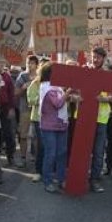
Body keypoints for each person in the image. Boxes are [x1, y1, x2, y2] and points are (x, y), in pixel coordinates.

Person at [39, 63, 71, 193]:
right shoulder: (46, 87)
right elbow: (58, 103)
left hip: (61, 125)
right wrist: (68, 92)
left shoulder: (57, 86)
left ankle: (61, 179)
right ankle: (47, 181)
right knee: (50, 154)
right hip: (49, 126)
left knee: (61, 153)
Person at [89, 47, 112, 193]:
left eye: (97, 57)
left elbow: (111, 96)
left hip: (101, 119)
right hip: (85, 118)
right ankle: (82, 176)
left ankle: (95, 179)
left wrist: (103, 99)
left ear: (103, 58)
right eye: (93, 57)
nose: (94, 59)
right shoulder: (85, 71)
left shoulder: (108, 75)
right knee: (84, 151)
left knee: (98, 152)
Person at [14, 55, 39, 169]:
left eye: (32, 63)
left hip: (37, 109)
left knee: (36, 135)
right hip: (24, 109)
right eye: (28, 63)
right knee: (23, 135)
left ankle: (36, 157)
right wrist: (23, 87)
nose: (30, 65)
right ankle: (23, 158)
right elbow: (16, 93)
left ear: (36, 65)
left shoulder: (40, 76)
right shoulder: (22, 76)